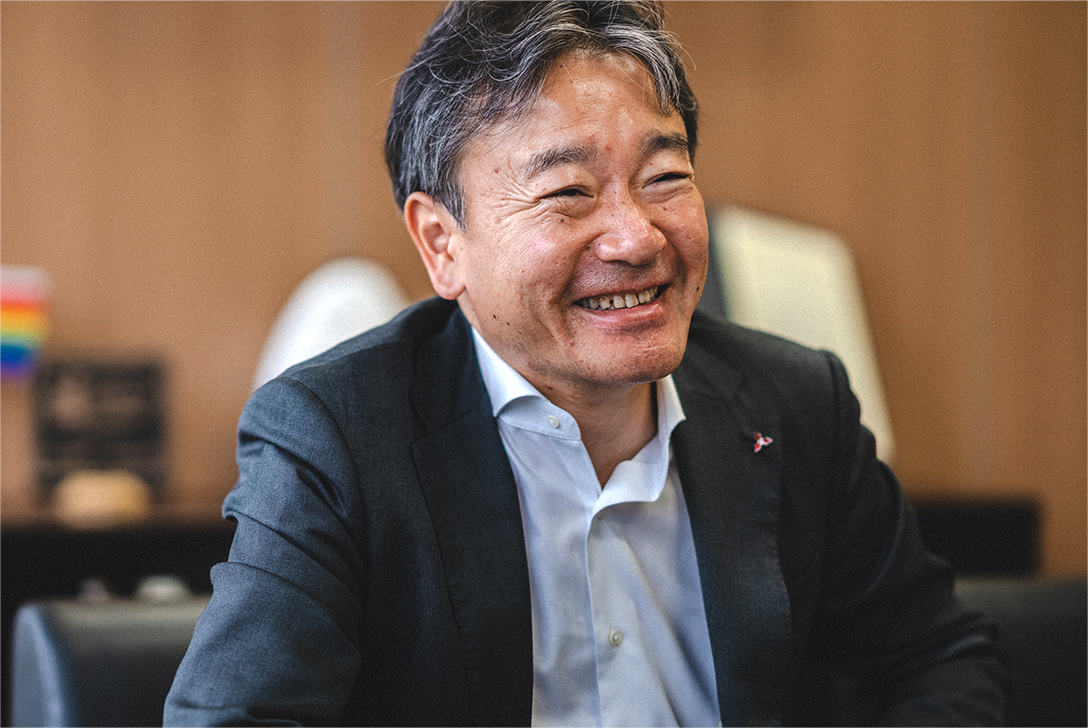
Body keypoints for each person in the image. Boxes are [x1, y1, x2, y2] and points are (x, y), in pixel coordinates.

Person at [164, 2, 1007, 725]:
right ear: (442, 243)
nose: (637, 237)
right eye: (568, 192)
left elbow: (938, 662)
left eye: (664, 175)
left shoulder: (796, 404)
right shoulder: (337, 438)